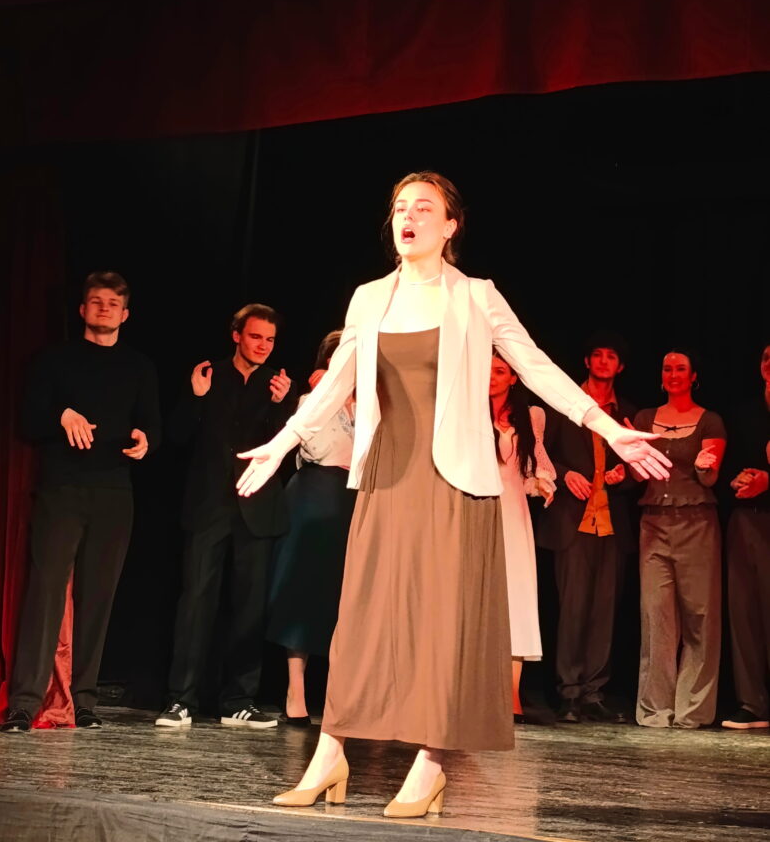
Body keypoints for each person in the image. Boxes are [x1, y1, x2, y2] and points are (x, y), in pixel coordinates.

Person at [235, 171, 669, 817]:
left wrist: (607, 427)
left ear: (450, 226)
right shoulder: (369, 298)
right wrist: (280, 442)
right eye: (399, 208)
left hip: (455, 479)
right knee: (362, 618)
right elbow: (336, 383)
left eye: (423, 208)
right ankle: (330, 754)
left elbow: (536, 367)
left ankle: (431, 762)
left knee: (443, 622)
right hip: (387, 473)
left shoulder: (475, 296)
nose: (407, 218)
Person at [1, 271, 160, 733]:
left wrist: (144, 440)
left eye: (113, 303)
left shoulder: (139, 367)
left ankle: (83, 699)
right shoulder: (53, 360)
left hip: (114, 493)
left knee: (98, 596)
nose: (104, 308)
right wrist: (62, 414)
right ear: (82, 309)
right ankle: (24, 702)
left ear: (125, 314)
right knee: (45, 592)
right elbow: (28, 421)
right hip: (62, 490)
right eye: (96, 301)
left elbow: (152, 427)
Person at [154, 303, 294, 730]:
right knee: (196, 601)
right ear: (236, 335)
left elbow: (286, 450)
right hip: (208, 506)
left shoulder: (277, 385)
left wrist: (281, 407)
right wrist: (195, 398)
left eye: (270, 340)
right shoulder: (208, 375)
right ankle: (180, 699)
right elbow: (176, 436)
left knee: (250, 607)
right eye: (255, 337)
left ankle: (238, 701)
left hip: (257, 509)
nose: (263, 346)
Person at [537, 333, 637, 724]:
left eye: (611, 356)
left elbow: (636, 469)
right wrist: (564, 474)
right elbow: (540, 453)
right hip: (574, 522)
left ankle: (594, 692)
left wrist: (622, 475)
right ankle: (569, 693)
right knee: (573, 610)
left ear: (621, 367)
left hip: (611, 524)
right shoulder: (565, 405)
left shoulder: (626, 412)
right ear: (587, 361)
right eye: (597, 354)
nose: (603, 361)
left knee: (603, 612)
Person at [267, 330, 356, 725]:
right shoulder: (311, 400)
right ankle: (296, 689)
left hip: (355, 499)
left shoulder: (371, 405)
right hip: (315, 494)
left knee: (347, 596)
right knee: (303, 590)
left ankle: (343, 693)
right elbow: (317, 449)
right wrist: (326, 397)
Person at [633, 349, 726, 729]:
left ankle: (692, 711)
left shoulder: (710, 420)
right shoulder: (644, 418)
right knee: (656, 617)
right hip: (654, 525)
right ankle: (655, 710)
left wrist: (705, 466)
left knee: (700, 618)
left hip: (697, 525)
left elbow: (710, 476)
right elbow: (638, 476)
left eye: (681, 369)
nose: (673, 374)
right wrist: (632, 456)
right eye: (667, 368)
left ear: (693, 377)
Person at [489, 350, 555, 719]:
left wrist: (542, 484)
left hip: (512, 514)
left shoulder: (531, 417)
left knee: (516, 598)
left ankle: (511, 692)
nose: (492, 377)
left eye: (500, 371)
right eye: (488, 370)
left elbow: (535, 467)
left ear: (513, 378)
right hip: (477, 508)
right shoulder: (468, 412)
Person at [721, 341, 770, 731]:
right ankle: (753, 703)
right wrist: (738, 479)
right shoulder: (745, 414)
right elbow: (727, 466)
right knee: (745, 612)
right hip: (745, 520)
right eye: (767, 358)